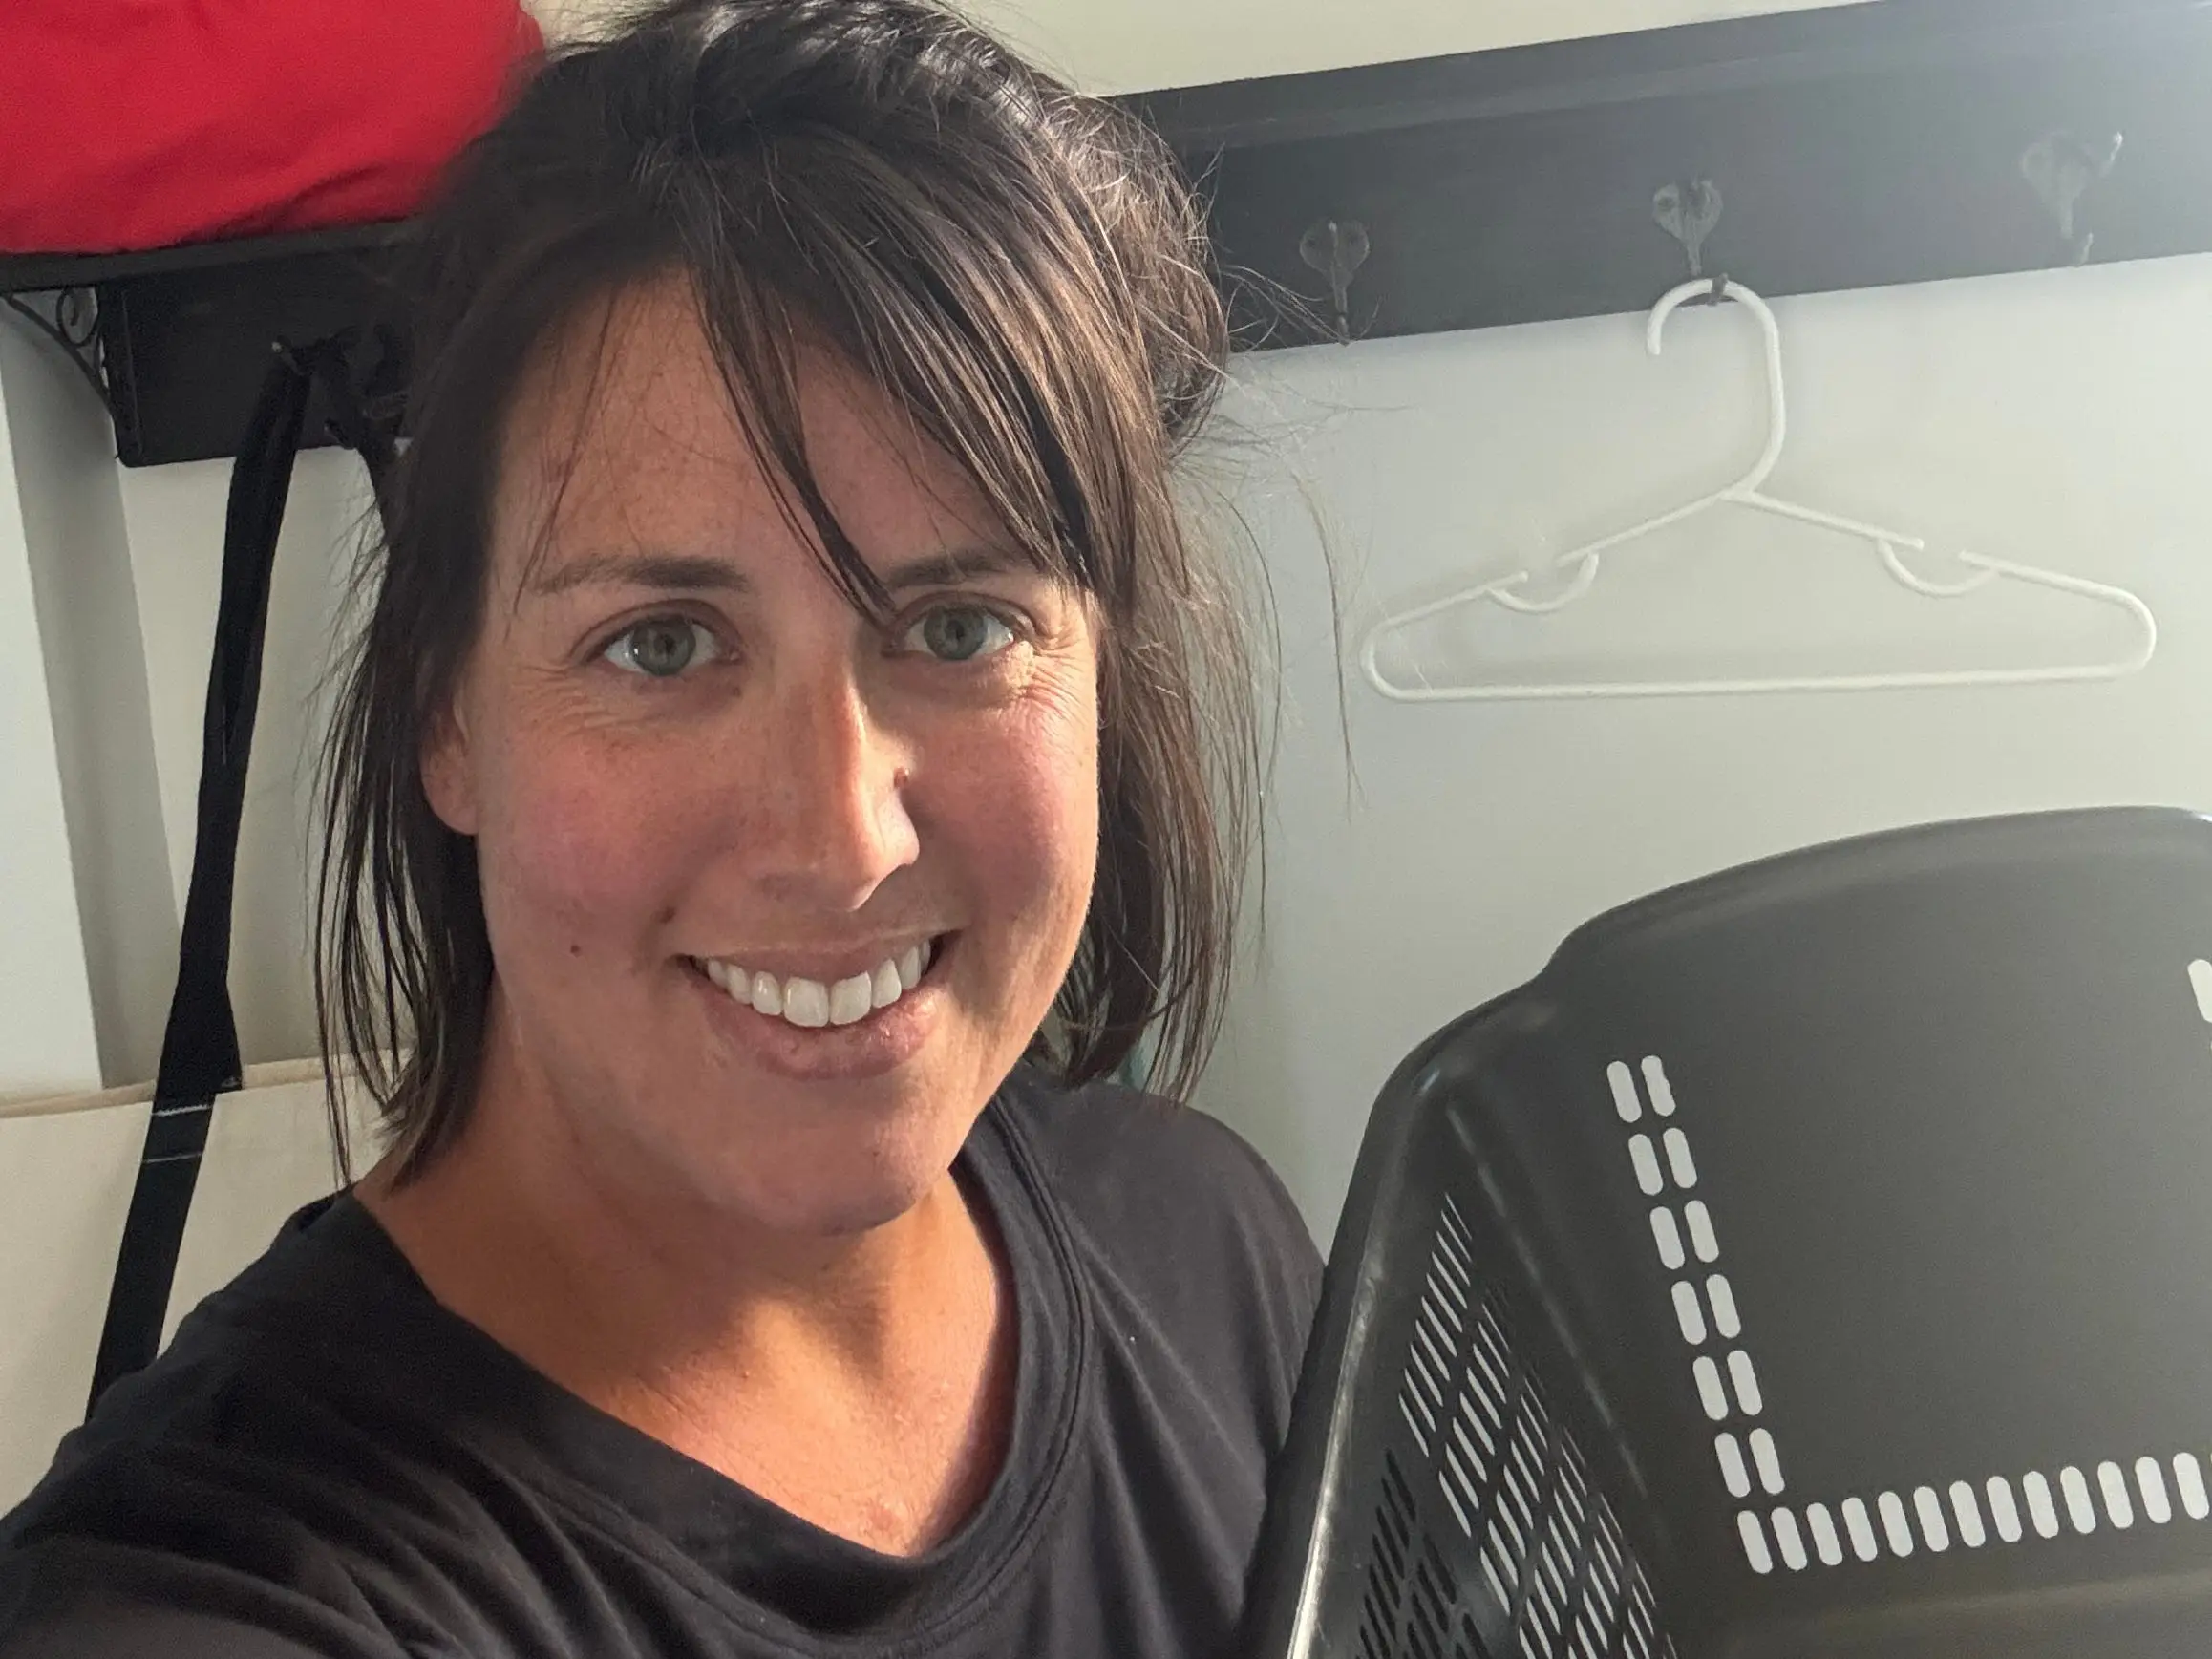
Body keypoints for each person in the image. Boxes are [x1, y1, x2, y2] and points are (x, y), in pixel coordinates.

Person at [0, 2, 1321, 1654]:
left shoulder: (1202, 1237)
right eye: (664, 646)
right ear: (446, 715)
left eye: (962, 628)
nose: (841, 841)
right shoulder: (217, 1591)